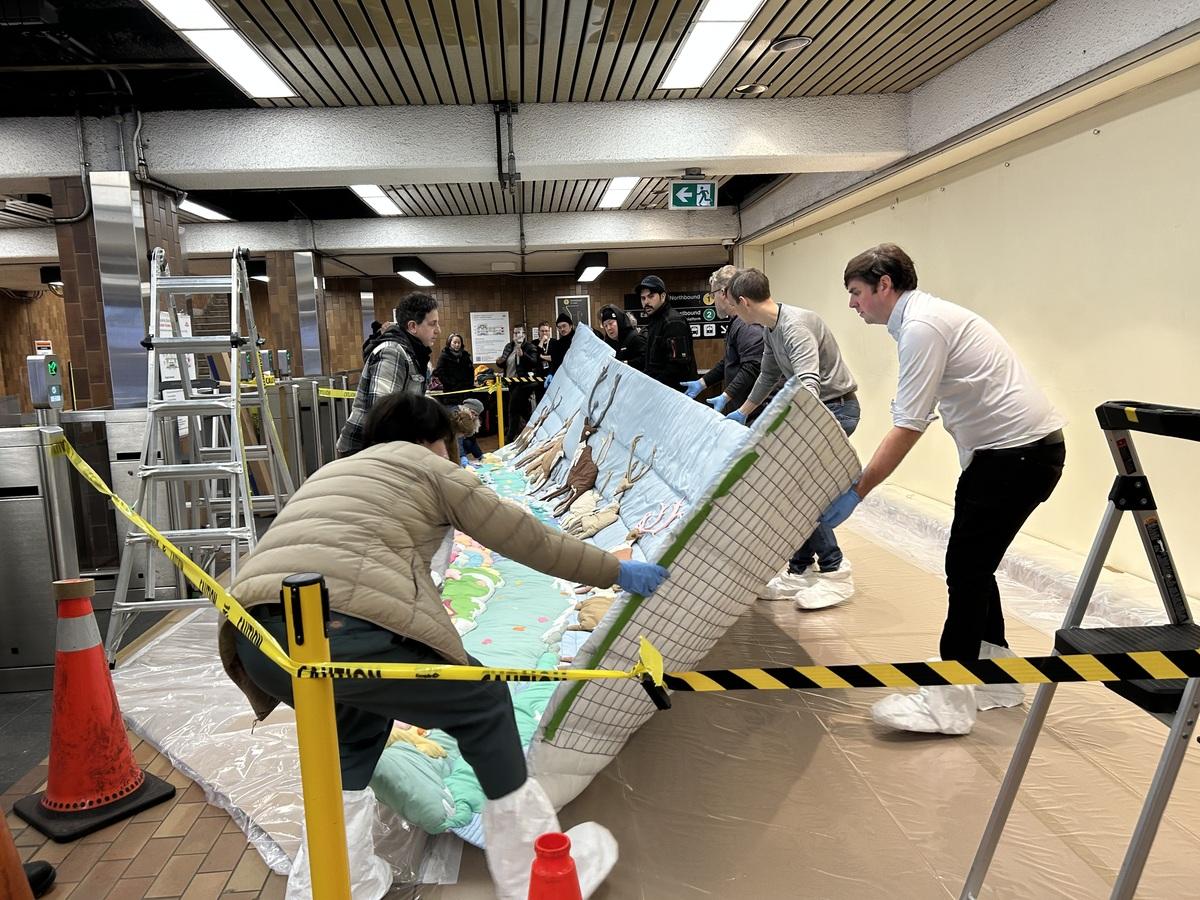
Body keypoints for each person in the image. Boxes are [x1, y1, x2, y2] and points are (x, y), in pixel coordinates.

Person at [222, 393, 669, 898]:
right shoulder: (428, 467)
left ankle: (332, 881)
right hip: (337, 631)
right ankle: (534, 872)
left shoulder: (332, 471)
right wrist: (614, 571)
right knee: (483, 699)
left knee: (353, 727)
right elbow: (526, 536)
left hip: (256, 641)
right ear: (431, 440)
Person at [819, 244, 1066, 735]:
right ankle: (995, 678)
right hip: (1012, 456)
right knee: (975, 566)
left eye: (856, 292)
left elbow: (909, 424)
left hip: (1017, 457)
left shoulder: (921, 327)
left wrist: (857, 491)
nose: (852, 304)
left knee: (965, 569)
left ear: (884, 285)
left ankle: (947, 703)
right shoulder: (923, 319)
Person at [723, 268, 860, 610]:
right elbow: (768, 374)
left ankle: (835, 570)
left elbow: (808, 383)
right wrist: (743, 411)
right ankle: (800, 570)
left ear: (744, 302)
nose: (734, 313)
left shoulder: (794, 326)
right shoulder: (772, 329)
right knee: (791, 493)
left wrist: (794, 431)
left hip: (834, 410)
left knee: (799, 494)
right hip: (817, 410)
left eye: (734, 307)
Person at [337, 293, 440, 457]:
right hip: (364, 450)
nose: (438, 330)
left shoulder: (416, 355)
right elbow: (382, 412)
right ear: (413, 326)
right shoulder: (393, 352)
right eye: (432, 324)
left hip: (390, 446)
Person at [680, 265, 764, 414]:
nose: (713, 301)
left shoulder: (746, 324)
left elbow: (753, 365)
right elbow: (729, 361)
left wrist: (726, 395)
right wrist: (703, 382)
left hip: (752, 413)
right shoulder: (736, 322)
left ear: (723, 293)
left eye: (713, 295)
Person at [637, 275, 696, 390]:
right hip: (660, 391)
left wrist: (652, 385)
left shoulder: (673, 322)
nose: (646, 302)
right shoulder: (655, 322)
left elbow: (678, 366)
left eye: (651, 296)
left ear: (663, 296)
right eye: (643, 298)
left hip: (675, 394)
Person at [496, 324, 540, 442]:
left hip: (524, 384)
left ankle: (509, 439)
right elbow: (504, 363)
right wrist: (499, 362)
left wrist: (523, 355)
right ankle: (535, 432)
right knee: (523, 410)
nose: (517, 335)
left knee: (513, 410)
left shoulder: (530, 347)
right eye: (515, 333)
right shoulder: (509, 346)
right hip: (511, 383)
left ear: (524, 334)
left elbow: (534, 362)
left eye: (519, 333)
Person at [598, 304, 645, 370]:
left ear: (619, 322)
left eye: (611, 323)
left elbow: (645, 359)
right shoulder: (607, 344)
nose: (608, 328)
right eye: (605, 326)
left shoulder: (635, 338)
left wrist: (625, 364)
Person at [454, 397, 485, 465]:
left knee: (468, 442)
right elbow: (457, 438)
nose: (473, 416)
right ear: (466, 408)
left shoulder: (469, 417)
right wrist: (462, 456)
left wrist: (480, 456)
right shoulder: (455, 415)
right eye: (472, 413)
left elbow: (471, 439)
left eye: (476, 415)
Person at [547, 312, 576, 379]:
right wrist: (551, 373)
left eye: (564, 326)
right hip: (564, 377)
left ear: (570, 326)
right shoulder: (557, 344)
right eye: (559, 327)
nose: (562, 329)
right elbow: (554, 362)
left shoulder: (578, 338)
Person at [535, 321, 553, 399]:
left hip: (551, 375)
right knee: (539, 399)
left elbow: (555, 358)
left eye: (546, 331)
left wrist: (542, 356)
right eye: (542, 331)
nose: (544, 333)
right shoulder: (534, 343)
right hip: (539, 377)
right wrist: (542, 341)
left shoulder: (554, 342)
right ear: (538, 332)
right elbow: (536, 356)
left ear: (549, 331)